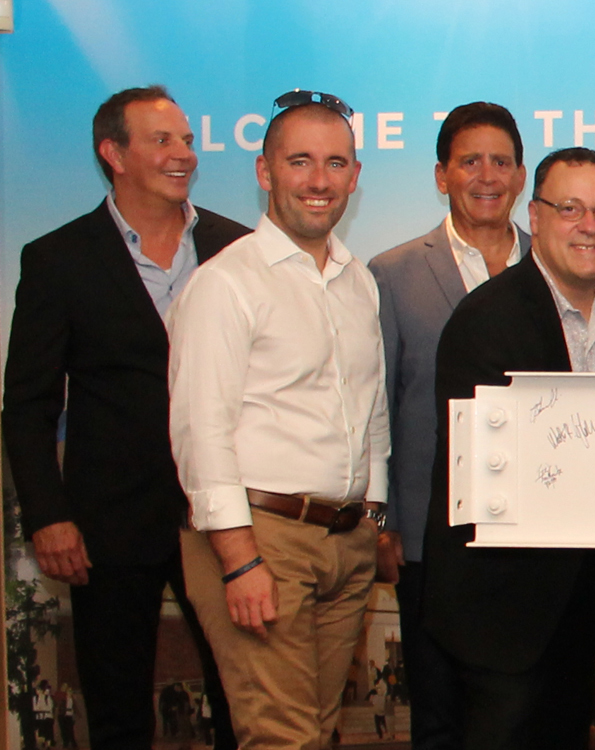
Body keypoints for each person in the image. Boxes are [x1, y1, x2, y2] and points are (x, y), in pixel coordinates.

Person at [4, 85, 245, 750]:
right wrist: (49, 516)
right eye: (163, 140)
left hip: (222, 518)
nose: (185, 155)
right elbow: (28, 404)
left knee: (244, 703)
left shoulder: (240, 249)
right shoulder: (58, 259)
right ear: (113, 152)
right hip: (109, 524)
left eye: (188, 141)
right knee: (117, 712)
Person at [167, 90, 392, 749]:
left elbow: (370, 408)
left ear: (354, 175)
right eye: (299, 161)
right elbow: (199, 431)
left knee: (317, 733)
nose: (318, 181)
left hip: (346, 543)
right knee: (282, 738)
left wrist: (373, 521)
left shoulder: (358, 282)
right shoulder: (225, 283)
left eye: (335, 163)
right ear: (265, 172)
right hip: (261, 540)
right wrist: (238, 562)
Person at [423, 146, 595, 749]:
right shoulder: (485, 319)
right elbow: (485, 468)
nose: (590, 225)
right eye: (570, 208)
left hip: (580, 602)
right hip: (501, 610)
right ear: (537, 216)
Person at [366, 101, 528, 750]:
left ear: (520, 177)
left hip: (530, 535)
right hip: (429, 539)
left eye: (501, 161)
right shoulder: (393, 273)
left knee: (522, 712)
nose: (486, 175)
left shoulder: (555, 265)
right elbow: (376, 407)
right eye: (469, 161)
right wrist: (383, 524)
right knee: (438, 714)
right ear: (441, 175)